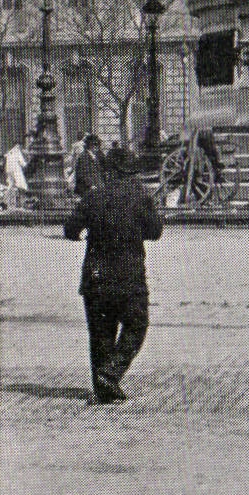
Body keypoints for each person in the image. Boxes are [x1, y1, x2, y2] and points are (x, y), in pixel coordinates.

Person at [63, 144, 163, 404]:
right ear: (129, 173)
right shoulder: (140, 197)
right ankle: (111, 373)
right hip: (129, 278)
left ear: (108, 172)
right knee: (136, 326)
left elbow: (71, 229)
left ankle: (102, 387)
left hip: (95, 278)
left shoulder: (93, 197)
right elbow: (155, 231)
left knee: (100, 334)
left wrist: (85, 231)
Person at [73, 131, 103, 200]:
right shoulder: (84, 157)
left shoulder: (96, 156)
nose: (97, 147)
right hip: (86, 189)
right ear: (89, 146)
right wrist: (91, 185)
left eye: (98, 145)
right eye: (95, 145)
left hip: (96, 187)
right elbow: (83, 174)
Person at [4, 139, 30, 208]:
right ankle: (21, 203)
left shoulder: (10, 152)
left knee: (11, 185)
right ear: (18, 145)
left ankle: (8, 202)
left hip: (9, 170)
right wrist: (27, 163)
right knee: (22, 185)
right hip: (16, 170)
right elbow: (22, 162)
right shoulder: (17, 151)